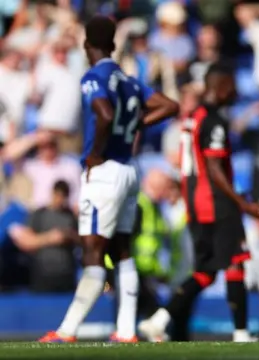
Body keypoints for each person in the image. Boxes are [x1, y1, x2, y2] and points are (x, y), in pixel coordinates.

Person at [39, 16, 179, 343]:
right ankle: (127, 331)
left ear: (87, 45)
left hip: (105, 171)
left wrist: (95, 153)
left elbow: (102, 112)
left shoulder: (94, 76)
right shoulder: (129, 80)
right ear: (114, 45)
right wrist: (134, 126)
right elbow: (170, 105)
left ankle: (67, 331)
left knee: (92, 250)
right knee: (122, 249)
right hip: (131, 169)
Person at [138, 62, 259, 343]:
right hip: (216, 203)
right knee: (235, 263)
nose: (235, 92)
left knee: (205, 272)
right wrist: (241, 203)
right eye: (232, 86)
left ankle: (158, 320)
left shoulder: (191, 118)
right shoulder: (213, 120)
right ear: (221, 87)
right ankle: (241, 333)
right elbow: (212, 165)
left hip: (195, 204)